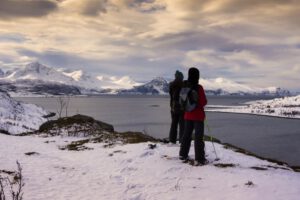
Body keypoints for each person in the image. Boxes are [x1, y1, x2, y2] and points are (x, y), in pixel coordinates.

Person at [179, 67, 208, 165]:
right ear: (197, 76)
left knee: (186, 136)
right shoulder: (198, 87)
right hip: (198, 116)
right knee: (198, 138)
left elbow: (182, 101)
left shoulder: (184, 86)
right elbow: (203, 102)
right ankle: (199, 159)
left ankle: (183, 154)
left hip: (187, 115)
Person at [168, 70, 185, 144]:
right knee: (182, 125)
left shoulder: (171, 84)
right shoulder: (183, 85)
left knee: (174, 124)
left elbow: (171, 96)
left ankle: (172, 140)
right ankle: (182, 140)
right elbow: (184, 97)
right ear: (181, 77)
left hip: (173, 107)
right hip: (182, 108)